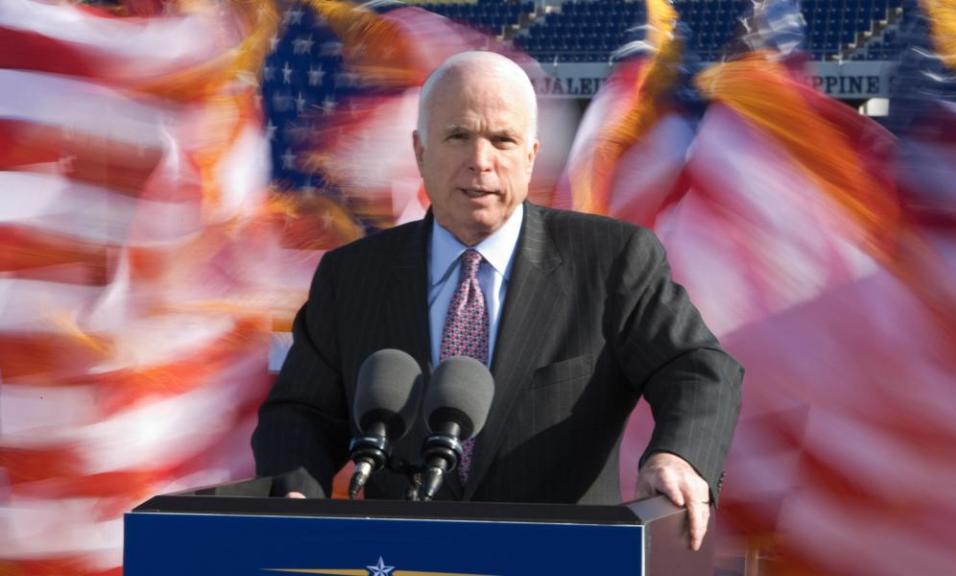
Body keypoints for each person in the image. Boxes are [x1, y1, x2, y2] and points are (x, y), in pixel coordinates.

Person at [252, 51, 742, 551]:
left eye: (502, 140)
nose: (480, 161)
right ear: (420, 151)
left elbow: (698, 367)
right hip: (398, 557)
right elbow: (300, 414)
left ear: (531, 155)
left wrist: (678, 456)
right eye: (458, 135)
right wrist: (297, 494)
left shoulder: (611, 259)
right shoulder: (351, 275)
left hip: (562, 556)